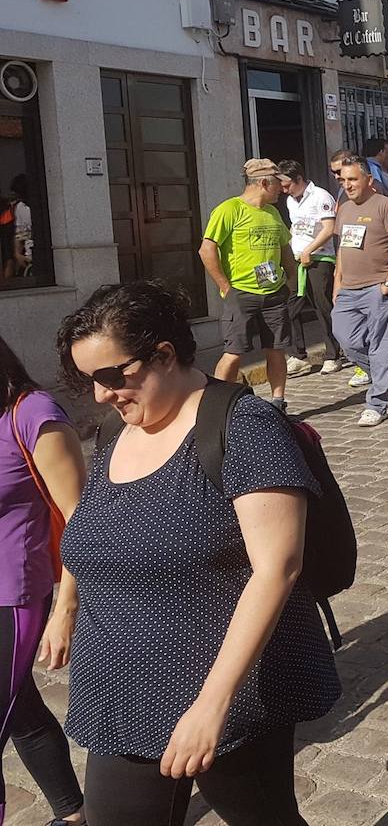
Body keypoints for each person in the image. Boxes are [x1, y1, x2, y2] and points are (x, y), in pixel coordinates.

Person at [55, 280, 339, 823]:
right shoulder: (117, 430)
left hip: (217, 690)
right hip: (120, 685)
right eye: (88, 380)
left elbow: (277, 567)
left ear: (164, 353)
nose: (100, 394)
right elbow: (93, 532)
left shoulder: (245, 427)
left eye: (113, 376)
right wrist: (65, 606)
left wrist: (213, 705)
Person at [0, 338, 86, 826]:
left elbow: (80, 517)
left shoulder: (33, 413)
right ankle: (73, 814)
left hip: (15, 593)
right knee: (19, 710)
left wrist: (65, 609)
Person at [198, 159, 294, 412]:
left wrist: (291, 280)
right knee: (234, 352)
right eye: (277, 183)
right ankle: (217, 406)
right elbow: (207, 249)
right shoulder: (229, 210)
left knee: (276, 349)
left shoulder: (273, 213)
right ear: (263, 183)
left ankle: (278, 401)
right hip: (241, 293)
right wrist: (225, 287)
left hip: (273, 293)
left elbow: (285, 248)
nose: (282, 189)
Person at [332, 155, 388, 427]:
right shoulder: (343, 209)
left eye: (353, 179)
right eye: (343, 180)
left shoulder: (387, 207)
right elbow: (343, 249)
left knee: (379, 344)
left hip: (379, 287)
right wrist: (338, 282)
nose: (348, 185)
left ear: (369, 180)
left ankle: (377, 402)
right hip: (348, 288)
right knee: (346, 339)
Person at [280, 160, 342, 377]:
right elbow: (295, 228)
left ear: (298, 179)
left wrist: (310, 250)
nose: (283, 189)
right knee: (291, 305)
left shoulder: (321, 196)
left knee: (321, 305)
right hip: (297, 258)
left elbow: (329, 228)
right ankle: (298, 354)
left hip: (320, 257)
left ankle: (333, 353)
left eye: (287, 184)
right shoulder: (290, 201)